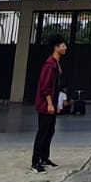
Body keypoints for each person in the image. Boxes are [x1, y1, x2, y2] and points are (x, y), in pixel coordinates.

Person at [32, 35, 67, 173]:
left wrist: (56, 103)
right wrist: (49, 103)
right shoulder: (49, 64)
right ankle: (35, 162)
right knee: (43, 132)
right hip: (46, 104)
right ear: (56, 47)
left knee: (50, 131)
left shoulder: (56, 63)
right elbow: (45, 86)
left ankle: (45, 158)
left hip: (52, 102)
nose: (65, 48)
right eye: (62, 46)